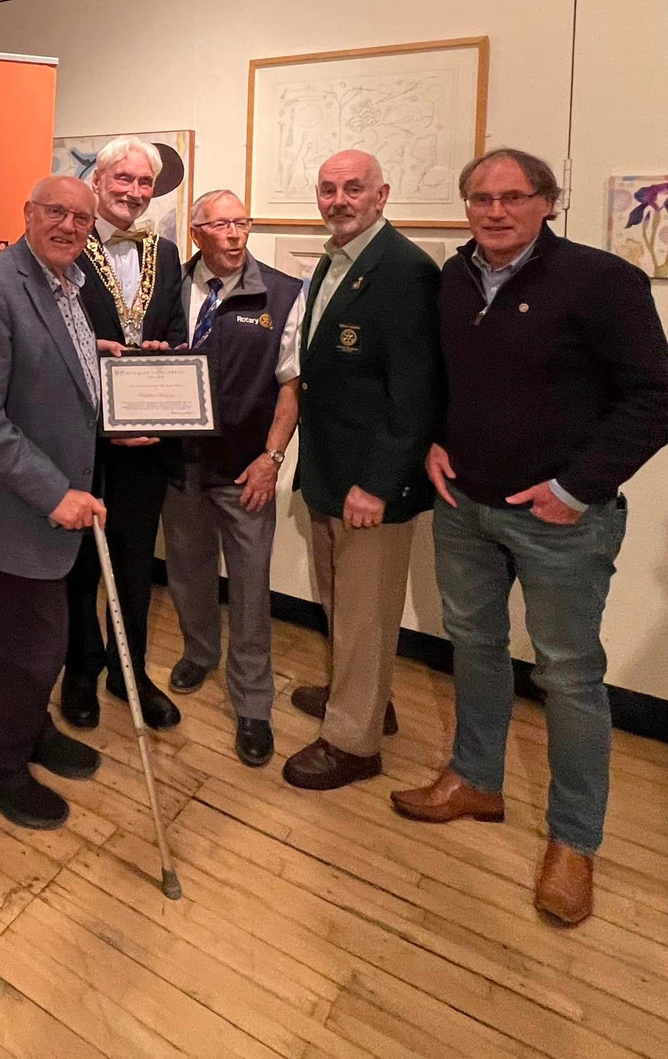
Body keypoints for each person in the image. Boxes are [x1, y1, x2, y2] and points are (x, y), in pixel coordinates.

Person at [391, 148, 668, 925]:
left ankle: (573, 839)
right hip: (465, 508)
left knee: (568, 675)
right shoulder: (452, 279)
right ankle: (476, 778)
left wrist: (574, 486)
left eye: (513, 197)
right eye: (480, 198)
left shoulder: (599, 281)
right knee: (473, 646)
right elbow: (447, 381)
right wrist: (432, 439)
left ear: (547, 202)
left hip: (561, 522)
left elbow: (656, 401)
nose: (494, 211)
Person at [0, 175, 106, 829]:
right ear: (27, 213)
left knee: (40, 640)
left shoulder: (69, 284)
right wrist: (53, 492)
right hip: (20, 507)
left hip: (62, 503)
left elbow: (58, 376)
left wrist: (111, 390)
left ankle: (29, 731)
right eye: (55, 212)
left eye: (81, 218)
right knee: (26, 646)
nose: (69, 225)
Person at [284, 149, 443, 791]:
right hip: (330, 469)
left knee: (366, 609)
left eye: (354, 189)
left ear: (382, 195)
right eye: (328, 189)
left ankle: (354, 743)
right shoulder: (336, 259)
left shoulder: (404, 271)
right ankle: (366, 698)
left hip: (369, 483)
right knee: (345, 603)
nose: (339, 200)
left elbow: (418, 393)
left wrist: (379, 483)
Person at [163, 189, 303, 767]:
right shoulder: (166, 291)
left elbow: (291, 387)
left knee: (248, 589)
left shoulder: (283, 292)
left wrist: (271, 460)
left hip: (245, 470)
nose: (234, 234)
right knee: (188, 570)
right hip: (178, 465)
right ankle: (199, 652)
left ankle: (252, 704)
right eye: (220, 225)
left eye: (241, 222)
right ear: (196, 233)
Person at [61, 135, 188, 733]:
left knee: (136, 564)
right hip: (80, 438)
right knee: (82, 563)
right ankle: (81, 671)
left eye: (145, 183)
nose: (135, 193)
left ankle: (129, 671)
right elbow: (49, 342)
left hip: (145, 443)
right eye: (124, 179)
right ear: (98, 178)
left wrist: (165, 353)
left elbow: (174, 330)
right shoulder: (62, 243)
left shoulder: (165, 251)